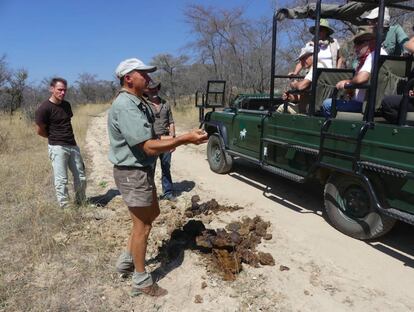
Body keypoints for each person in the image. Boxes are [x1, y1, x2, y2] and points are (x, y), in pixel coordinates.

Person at [108, 58, 207, 297]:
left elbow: (155, 138)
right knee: (143, 225)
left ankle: (126, 261)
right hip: (133, 173)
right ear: (128, 78)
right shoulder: (126, 106)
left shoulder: (138, 102)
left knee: (150, 215)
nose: (149, 78)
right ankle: (141, 281)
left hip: (141, 171)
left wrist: (184, 136)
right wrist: (184, 139)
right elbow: (148, 147)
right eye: (144, 74)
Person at [35, 78, 87, 208]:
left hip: (72, 145)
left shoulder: (66, 105)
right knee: (61, 179)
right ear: (51, 89)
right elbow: (40, 131)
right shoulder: (44, 108)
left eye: (64, 90)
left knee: (81, 176)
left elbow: (66, 123)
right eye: (59, 90)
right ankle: (65, 207)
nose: (62, 93)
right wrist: (54, 138)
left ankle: (81, 202)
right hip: (57, 147)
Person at [321, 26, 387, 117]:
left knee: (327, 104)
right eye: (355, 43)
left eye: (359, 43)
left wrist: (348, 83)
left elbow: (361, 78)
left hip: (366, 105)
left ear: (372, 42)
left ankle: (334, 129)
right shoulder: (369, 56)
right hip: (366, 102)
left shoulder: (374, 55)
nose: (355, 47)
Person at [144, 82, 176, 201]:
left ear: (158, 89)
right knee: (150, 168)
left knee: (166, 167)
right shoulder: (144, 105)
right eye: (151, 89)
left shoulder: (165, 103)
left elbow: (171, 122)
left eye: (155, 88)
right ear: (147, 90)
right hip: (151, 141)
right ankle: (150, 194)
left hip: (166, 140)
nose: (153, 91)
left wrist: (173, 140)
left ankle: (168, 193)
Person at [279, 43, 314, 114]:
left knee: (281, 108)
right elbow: (306, 96)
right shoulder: (309, 71)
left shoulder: (314, 70)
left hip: (308, 109)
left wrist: (294, 84)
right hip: (305, 106)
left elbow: (301, 86)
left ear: (312, 56)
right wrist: (291, 97)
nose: (302, 62)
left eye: (304, 58)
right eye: (301, 60)